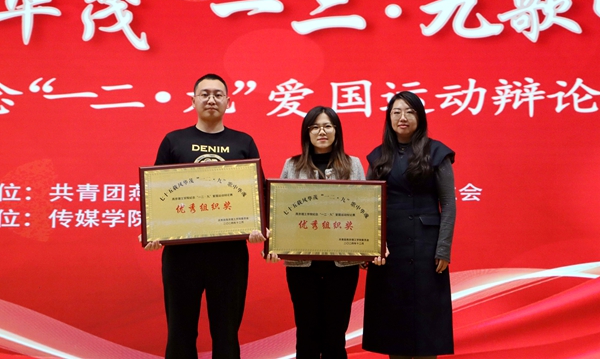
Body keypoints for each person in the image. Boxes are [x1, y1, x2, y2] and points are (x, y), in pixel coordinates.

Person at [144, 73, 266, 359]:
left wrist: (258, 226)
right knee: (180, 333)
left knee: (226, 334)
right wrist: (153, 229)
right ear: (193, 100)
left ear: (228, 101)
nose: (211, 100)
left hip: (229, 255)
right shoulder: (174, 140)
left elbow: (257, 192)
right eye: (205, 94)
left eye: (218, 94)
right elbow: (157, 192)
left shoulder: (243, 142)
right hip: (181, 255)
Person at [362, 91, 456, 359]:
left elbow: (448, 204)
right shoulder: (378, 156)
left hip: (427, 250)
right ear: (389, 118)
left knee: (427, 327)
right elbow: (368, 206)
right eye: (396, 112)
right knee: (394, 328)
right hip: (389, 251)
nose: (402, 117)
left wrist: (443, 249)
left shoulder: (437, 152)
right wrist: (370, 247)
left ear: (420, 117)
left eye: (409, 112)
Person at [267, 106, 365, 358]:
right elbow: (280, 210)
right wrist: (273, 244)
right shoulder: (292, 165)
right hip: (302, 264)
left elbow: (364, 210)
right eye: (315, 127)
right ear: (307, 132)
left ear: (336, 131)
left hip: (343, 263)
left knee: (335, 336)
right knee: (306, 333)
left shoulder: (353, 165)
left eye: (328, 126)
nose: (322, 132)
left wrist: (368, 248)